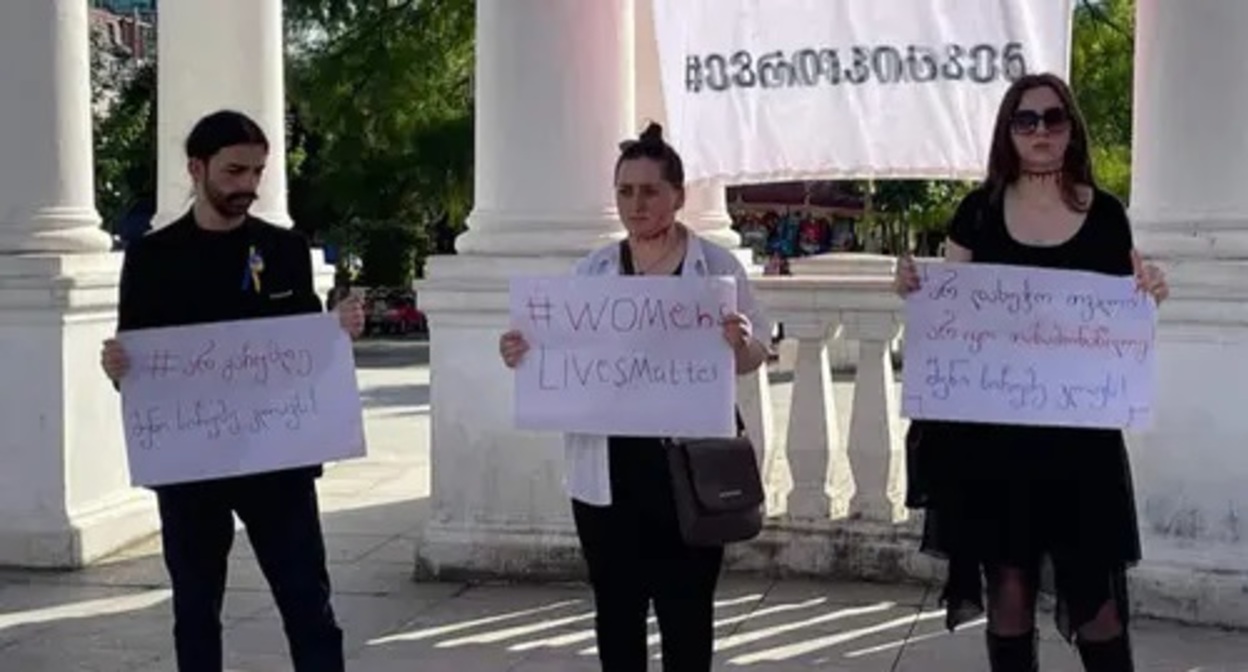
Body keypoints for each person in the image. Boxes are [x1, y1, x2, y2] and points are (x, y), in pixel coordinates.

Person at [894, 73, 1168, 672]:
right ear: (1008, 132)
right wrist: (916, 290)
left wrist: (1151, 292)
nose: (1041, 130)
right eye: (1026, 120)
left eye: (1054, 118)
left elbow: (1123, 315)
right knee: (1009, 601)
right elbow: (952, 314)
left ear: (1072, 129)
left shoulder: (1108, 217)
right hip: (995, 449)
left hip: (1081, 450)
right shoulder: (978, 210)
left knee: (1099, 607)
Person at [98, 110, 365, 672]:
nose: (248, 186)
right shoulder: (150, 258)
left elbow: (307, 353)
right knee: (195, 611)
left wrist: (337, 331)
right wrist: (117, 363)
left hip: (278, 461)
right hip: (191, 468)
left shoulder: (285, 249)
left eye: (258, 172)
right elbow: (135, 361)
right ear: (196, 168)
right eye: (234, 171)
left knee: (308, 604)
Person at [498, 123, 771, 670]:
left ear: (678, 196)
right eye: (625, 191)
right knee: (616, 612)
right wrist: (521, 351)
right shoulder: (593, 271)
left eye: (649, 190)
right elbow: (562, 348)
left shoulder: (716, 269)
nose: (636, 203)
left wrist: (736, 343)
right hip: (609, 471)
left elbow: (755, 353)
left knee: (687, 612)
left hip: (686, 469)